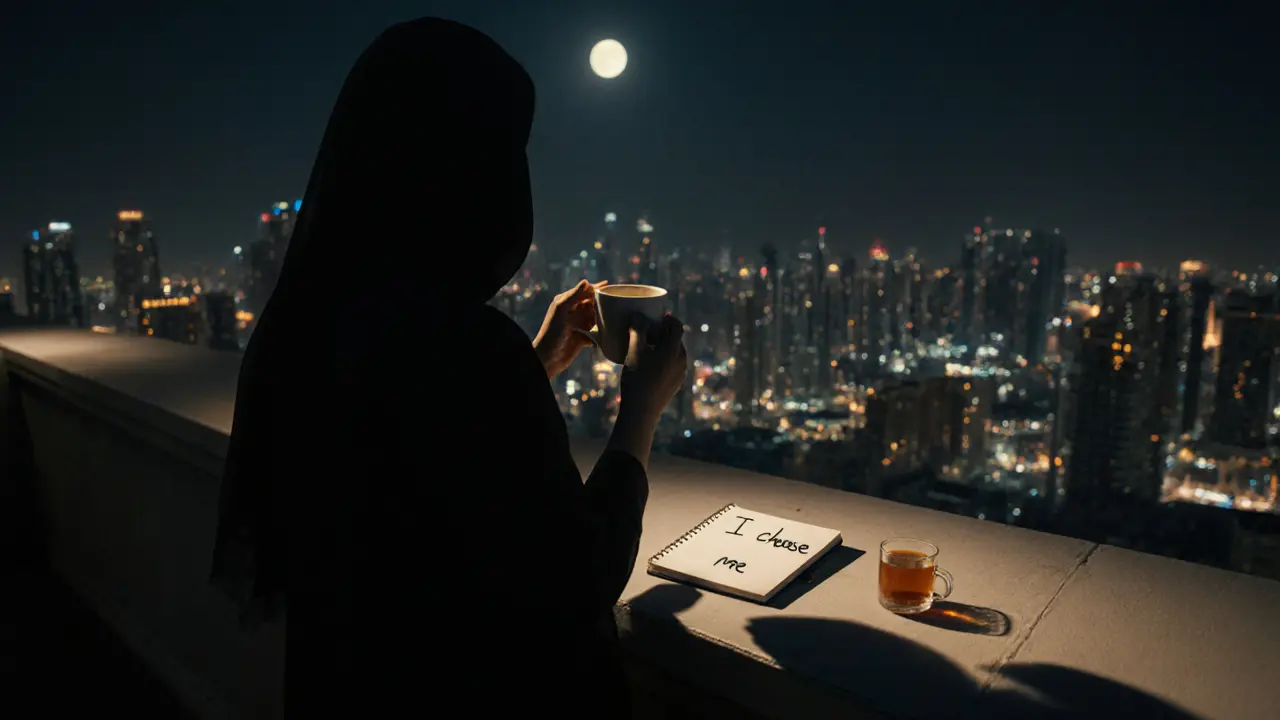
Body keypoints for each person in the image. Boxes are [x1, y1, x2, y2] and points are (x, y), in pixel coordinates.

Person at [208, 17, 687, 718]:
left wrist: (537, 362)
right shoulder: (462, 345)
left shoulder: (323, 326)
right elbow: (575, 575)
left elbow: (432, 447)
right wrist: (641, 411)